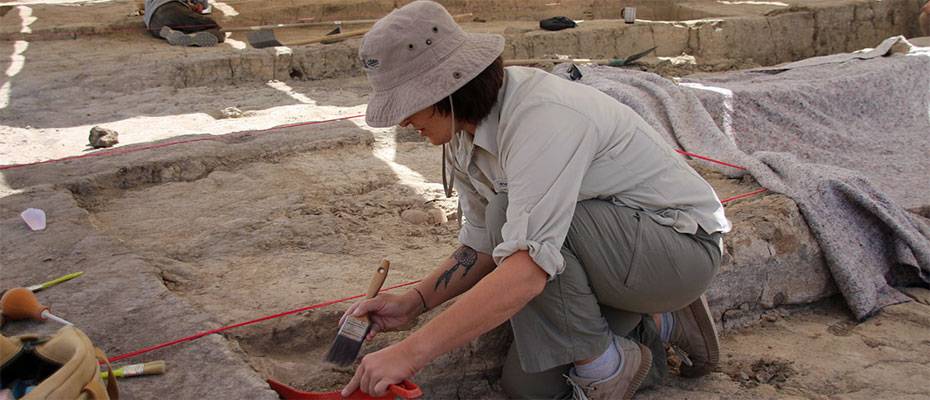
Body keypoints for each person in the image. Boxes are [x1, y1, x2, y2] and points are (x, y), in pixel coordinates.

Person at [340, 1, 731, 399]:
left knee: (509, 215)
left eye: (407, 106)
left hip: (679, 249)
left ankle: (611, 365)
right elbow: (480, 247)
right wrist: (413, 303)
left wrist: (409, 354)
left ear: (448, 89)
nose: (404, 122)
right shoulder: (462, 133)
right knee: (531, 389)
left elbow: (526, 270)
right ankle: (660, 327)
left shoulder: (542, 118)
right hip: (618, 257)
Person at [143, 0, 223, 47]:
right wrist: (200, 4)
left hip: (153, 24)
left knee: (178, 26)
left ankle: (172, 33)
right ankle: (189, 37)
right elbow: (201, 6)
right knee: (214, 27)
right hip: (171, 9)